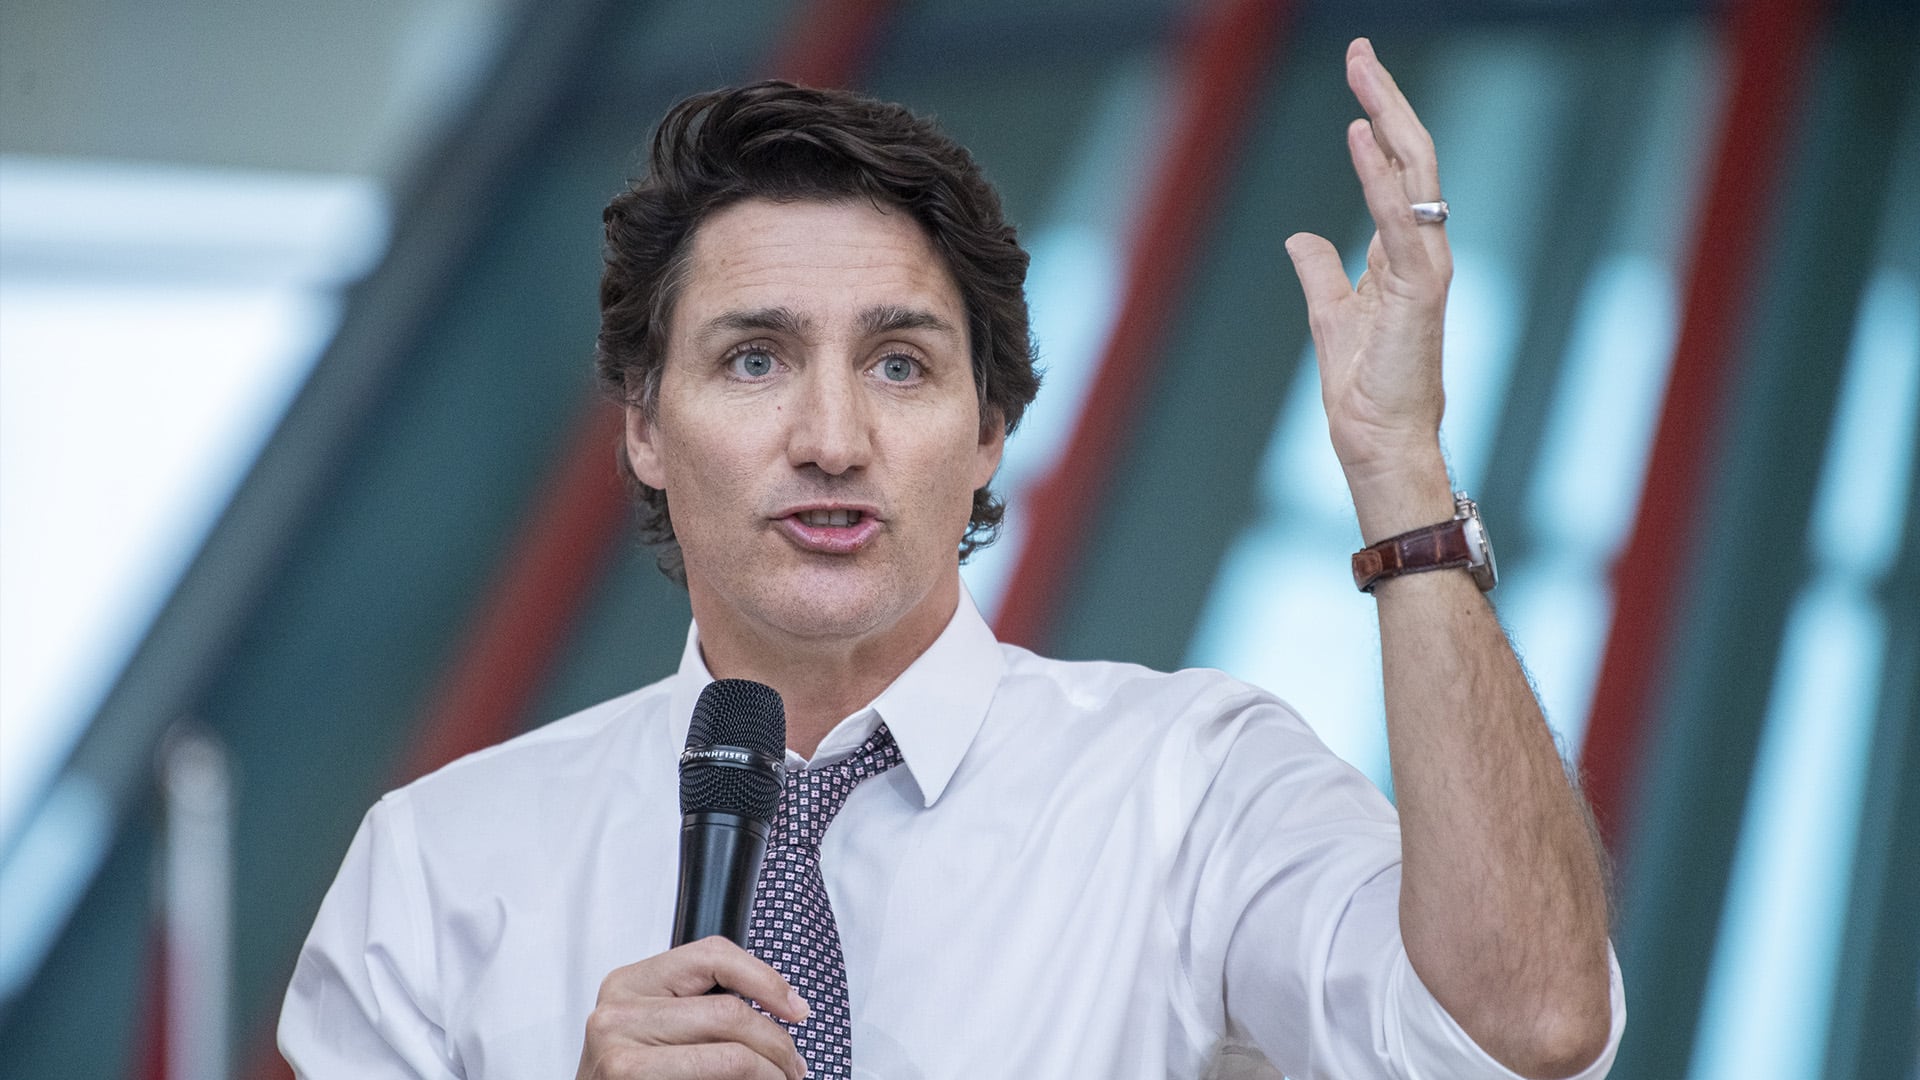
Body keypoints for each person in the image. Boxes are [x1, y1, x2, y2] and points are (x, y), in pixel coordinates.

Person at [280, 38, 1624, 1080]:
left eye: (899, 365)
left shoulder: (1191, 787)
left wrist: (1400, 472)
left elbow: (1525, 1035)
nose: (831, 440)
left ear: (988, 430)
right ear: (644, 427)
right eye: (754, 360)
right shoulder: (437, 868)